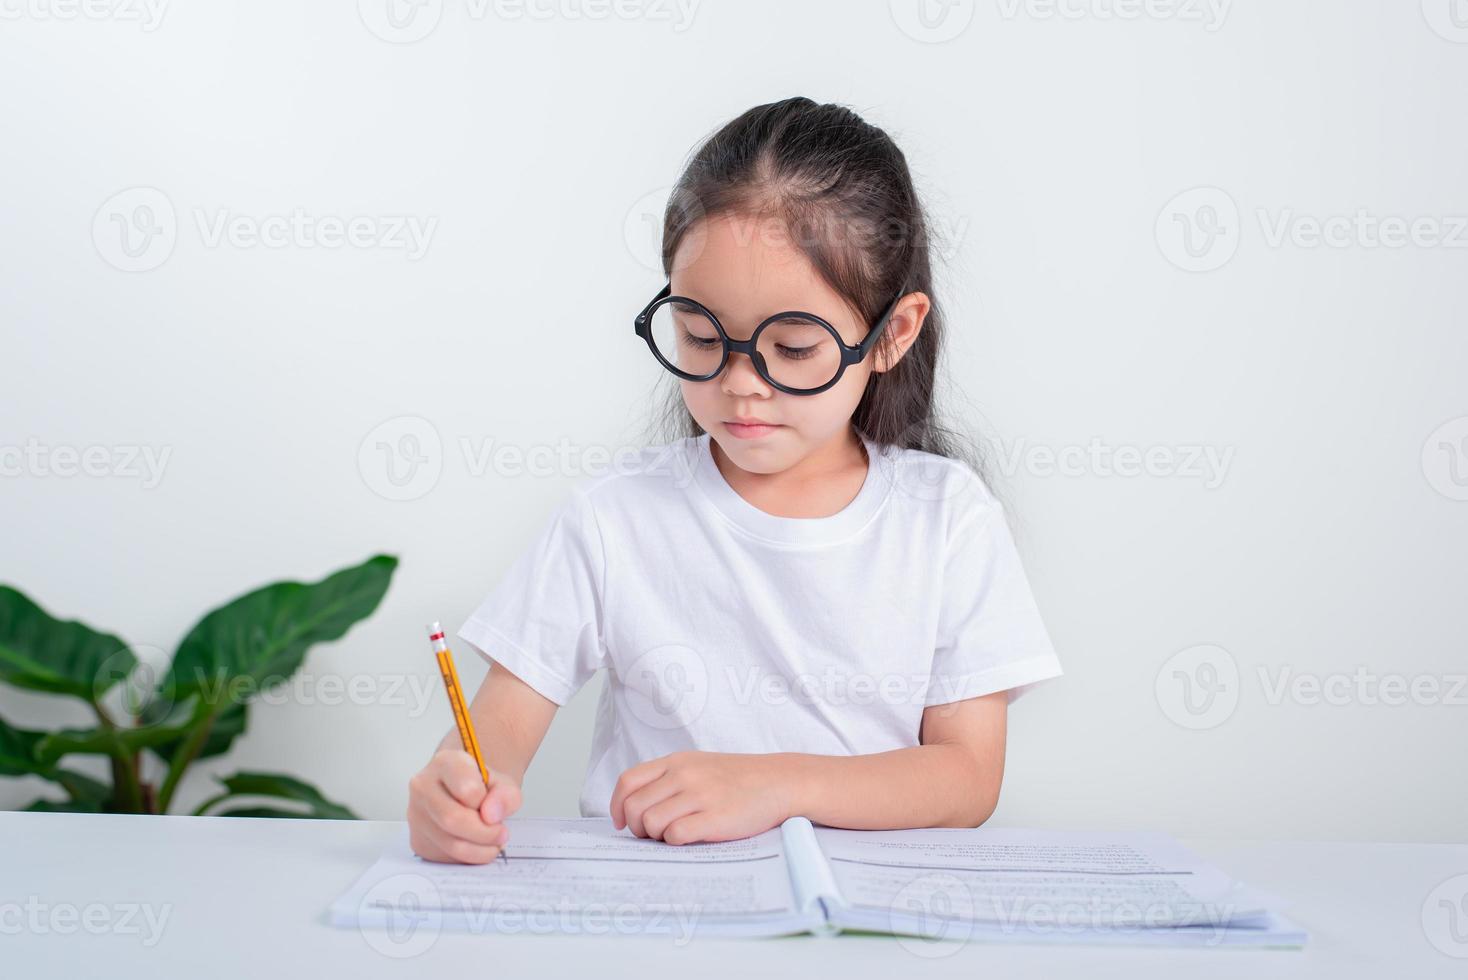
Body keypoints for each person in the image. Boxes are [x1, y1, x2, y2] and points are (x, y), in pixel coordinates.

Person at [407, 97, 1062, 864]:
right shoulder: (613, 519)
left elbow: (967, 778)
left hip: (865, 907)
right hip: (656, 909)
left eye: (792, 347)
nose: (743, 384)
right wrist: (451, 800)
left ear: (893, 334)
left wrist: (773, 785)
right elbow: (486, 754)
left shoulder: (946, 518)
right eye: (700, 335)